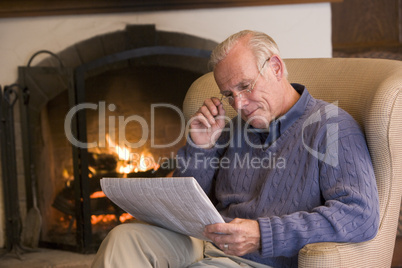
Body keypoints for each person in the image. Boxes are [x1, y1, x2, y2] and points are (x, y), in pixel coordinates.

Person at [92, 30, 380, 268]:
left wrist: (262, 235)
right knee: (123, 239)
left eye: (246, 86)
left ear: (276, 68)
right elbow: (189, 199)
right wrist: (201, 147)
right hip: (207, 240)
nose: (239, 104)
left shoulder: (332, 127)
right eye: (229, 94)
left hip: (260, 260)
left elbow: (360, 215)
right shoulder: (231, 127)